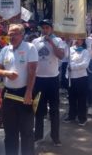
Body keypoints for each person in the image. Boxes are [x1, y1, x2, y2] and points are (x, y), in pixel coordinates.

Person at [0, 24, 38, 155]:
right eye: (10, 34)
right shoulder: (5, 50)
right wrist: (6, 73)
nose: (12, 36)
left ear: (22, 35)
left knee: (26, 131)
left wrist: (29, 92)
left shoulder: (30, 48)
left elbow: (32, 71)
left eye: (15, 34)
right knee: (10, 131)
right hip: (8, 94)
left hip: (24, 93)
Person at [32, 19, 65, 147]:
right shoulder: (35, 42)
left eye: (47, 27)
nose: (45, 30)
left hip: (52, 79)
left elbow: (61, 56)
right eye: (43, 28)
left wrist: (51, 43)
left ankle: (55, 137)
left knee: (54, 109)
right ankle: (38, 135)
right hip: (39, 79)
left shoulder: (58, 41)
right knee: (39, 110)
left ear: (51, 29)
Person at [64, 38, 91, 126]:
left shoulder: (85, 51)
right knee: (71, 98)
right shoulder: (70, 49)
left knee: (81, 99)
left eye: (80, 39)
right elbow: (65, 56)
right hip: (71, 78)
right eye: (76, 39)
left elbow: (85, 64)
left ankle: (82, 117)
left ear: (83, 41)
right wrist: (67, 43)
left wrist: (73, 67)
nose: (77, 40)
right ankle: (72, 115)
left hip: (81, 77)